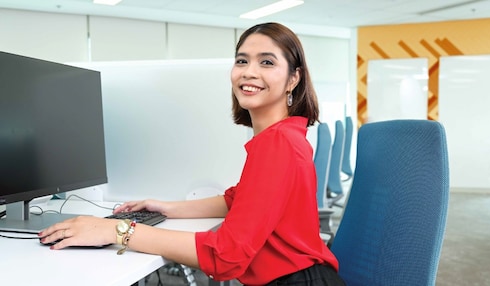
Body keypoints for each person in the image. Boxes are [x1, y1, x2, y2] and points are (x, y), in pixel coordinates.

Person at [39, 22, 346, 286]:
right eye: (242, 61)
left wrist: (117, 230)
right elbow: (239, 200)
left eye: (266, 62)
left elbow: (226, 256)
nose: (249, 72)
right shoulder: (284, 136)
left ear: (294, 78)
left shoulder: (278, 143)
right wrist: (166, 208)